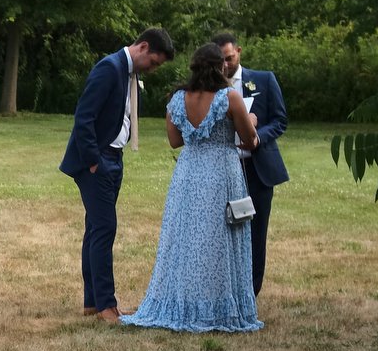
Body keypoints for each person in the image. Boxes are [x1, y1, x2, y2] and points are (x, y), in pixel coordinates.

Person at [123, 43, 263, 333]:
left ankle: (185, 301)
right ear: (221, 67)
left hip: (188, 173)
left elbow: (175, 141)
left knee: (188, 240)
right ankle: (219, 305)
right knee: (220, 238)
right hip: (222, 173)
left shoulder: (178, 99)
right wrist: (251, 120)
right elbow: (250, 141)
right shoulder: (230, 98)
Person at [59, 29, 177, 323]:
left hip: (114, 158)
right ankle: (106, 307)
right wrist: (93, 161)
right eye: (154, 62)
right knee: (105, 228)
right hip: (97, 162)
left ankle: (92, 302)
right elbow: (84, 115)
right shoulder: (109, 68)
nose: (153, 68)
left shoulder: (128, 74)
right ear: (144, 47)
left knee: (95, 229)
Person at [211, 33, 289, 297]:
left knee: (256, 234)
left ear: (239, 52)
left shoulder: (264, 80)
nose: (225, 65)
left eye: (229, 58)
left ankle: (251, 293)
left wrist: (257, 137)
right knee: (222, 232)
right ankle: (224, 289)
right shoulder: (210, 87)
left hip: (256, 170)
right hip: (222, 169)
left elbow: (280, 120)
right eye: (220, 60)